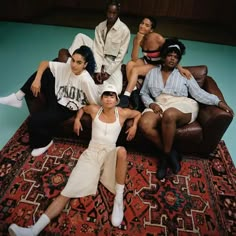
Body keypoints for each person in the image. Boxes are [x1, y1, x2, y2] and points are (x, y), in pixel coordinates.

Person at [8, 83, 141, 235]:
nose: (109, 98)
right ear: (101, 99)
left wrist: (135, 126)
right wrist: (77, 119)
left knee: (122, 151)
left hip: (110, 153)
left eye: (112, 95)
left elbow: (137, 114)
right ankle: (33, 230)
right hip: (91, 153)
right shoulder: (94, 109)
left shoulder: (122, 113)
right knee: (67, 191)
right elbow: (82, 108)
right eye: (106, 95)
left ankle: (118, 198)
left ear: (116, 99)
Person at [138, 38, 234, 180]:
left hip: (181, 104)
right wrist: (151, 104)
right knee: (144, 125)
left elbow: (199, 94)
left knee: (169, 115)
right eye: (170, 55)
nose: (172, 59)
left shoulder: (184, 74)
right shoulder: (152, 73)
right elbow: (144, 93)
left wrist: (219, 102)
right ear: (164, 56)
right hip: (159, 104)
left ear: (179, 60)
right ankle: (171, 153)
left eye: (176, 57)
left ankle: (164, 158)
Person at [0, 46, 100, 157]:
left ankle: (45, 143)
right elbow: (44, 63)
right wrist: (37, 80)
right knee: (45, 72)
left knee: (34, 120)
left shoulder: (86, 80)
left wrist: (78, 117)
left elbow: (92, 103)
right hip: (58, 97)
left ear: (85, 65)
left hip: (67, 108)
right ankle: (18, 96)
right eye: (73, 60)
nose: (74, 65)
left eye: (79, 62)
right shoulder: (68, 67)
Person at [58, 0, 130, 94]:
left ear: (118, 13)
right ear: (106, 11)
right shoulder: (100, 27)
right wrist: (98, 70)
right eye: (109, 12)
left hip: (112, 61)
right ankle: (70, 64)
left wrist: (108, 73)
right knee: (80, 37)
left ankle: (96, 87)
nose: (111, 16)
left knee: (118, 90)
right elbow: (97, 49)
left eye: (114, 13)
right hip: (98, 55)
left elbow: (121, 56)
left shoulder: (125, 31)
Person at [119, 32, 191, 110]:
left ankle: (126, 96)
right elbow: (134, 58)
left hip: (158, 66)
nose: (143, 27)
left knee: (135, 70)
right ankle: (135, 94)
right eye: (142, 23)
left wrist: (181, 68)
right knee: (130, 64)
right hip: (146, 62)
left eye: (147, 25)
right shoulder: (143, 39)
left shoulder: (162, 42)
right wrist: (137, 42)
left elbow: (172, 57)